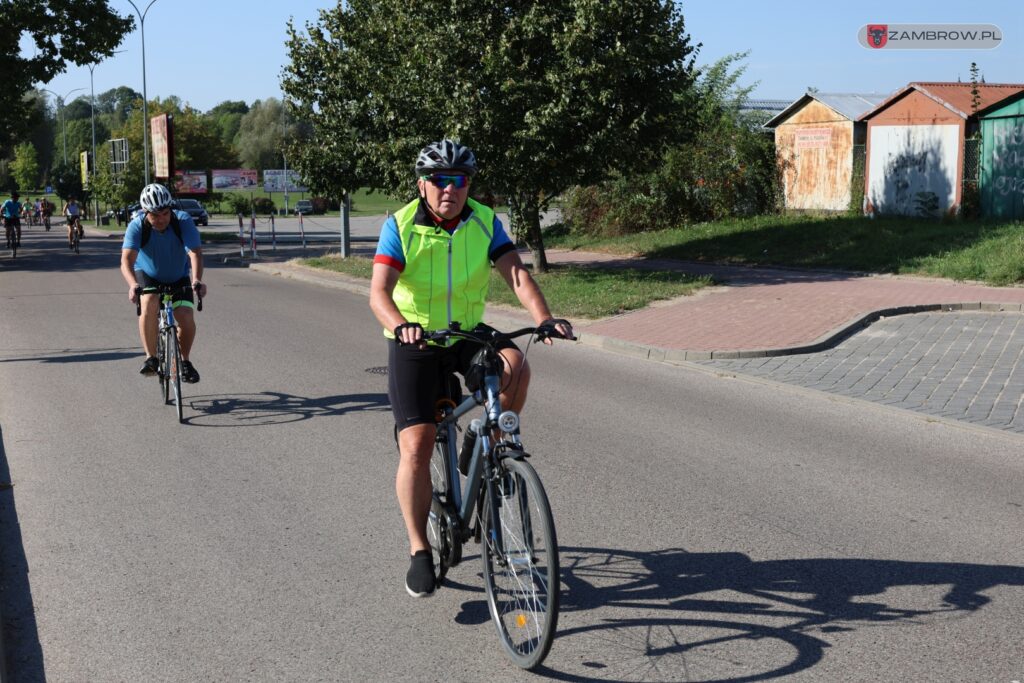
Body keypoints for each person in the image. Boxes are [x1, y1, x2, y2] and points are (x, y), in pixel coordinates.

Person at [369, 139, 574, 598]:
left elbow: (516, 274)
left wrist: (543, 317)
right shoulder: (400, 226)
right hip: (415, 339)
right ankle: (419, 548)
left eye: (459, 180)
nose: (450, 189)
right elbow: (379, 293)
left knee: (516, 366)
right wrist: (402, 326)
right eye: (440, 180)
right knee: (417, 445)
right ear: (423, 184)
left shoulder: (484, 221)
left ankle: (487, 438)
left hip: (464, 332)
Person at [120, 183, 207, 383]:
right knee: (149, 300)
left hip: (178, 276)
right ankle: (151, 358)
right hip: (148, 274)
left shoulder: (182, 221)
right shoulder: (137, 226)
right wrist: (133, 284)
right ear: (145, 212)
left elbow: (195, 253)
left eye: (165, 214)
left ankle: (184, 361)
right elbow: (126, 261)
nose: (161, 219)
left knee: (185, 316)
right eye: (155, 215)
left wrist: (197, 280)